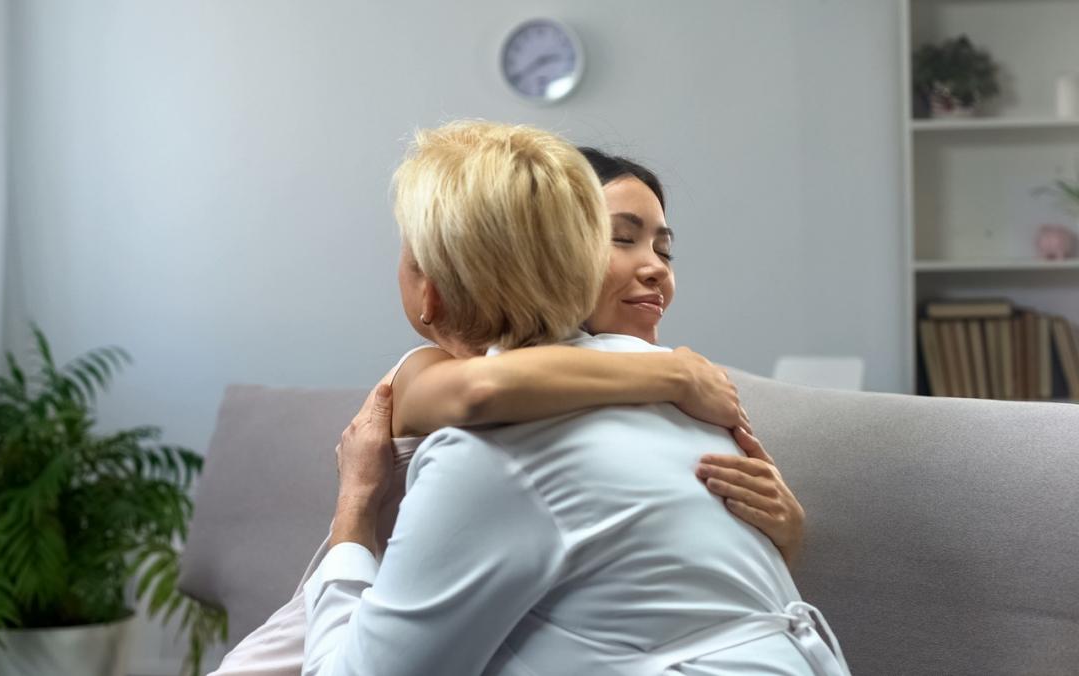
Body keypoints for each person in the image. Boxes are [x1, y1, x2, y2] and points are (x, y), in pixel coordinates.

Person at [211, 134, 813, 675]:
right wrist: (671, 376)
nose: (654, 266)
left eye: (663, 247)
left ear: (430, 287)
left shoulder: (649, 386)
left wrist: (782, 532)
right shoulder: (442, 380)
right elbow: (485, 391)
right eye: (620, 238)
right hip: (333, 627)